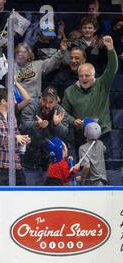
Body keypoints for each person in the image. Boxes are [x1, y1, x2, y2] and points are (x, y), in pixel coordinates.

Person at [62, 36, 117, 167]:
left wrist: (110, 49)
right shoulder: (69, 91)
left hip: (103, 134)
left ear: (94, 76)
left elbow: (112, 68)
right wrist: (72, 121)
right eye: (81, 76)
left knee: (108, 169)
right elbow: (63, 112)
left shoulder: (102, 84)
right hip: (82, 136)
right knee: (84, 170)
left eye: (87, 75)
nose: (84, 78)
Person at [0, 88, 31, 185]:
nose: (15, 101)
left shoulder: (12, 116)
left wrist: (22, 139)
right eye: (12, 99)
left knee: (23, 196)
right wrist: (15, 138)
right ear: (3, 101)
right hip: (0, 165)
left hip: (16, 164)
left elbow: (16, 135)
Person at [0, 40, 68, 101]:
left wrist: (61, 51)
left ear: (29, 54)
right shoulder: (9, 65)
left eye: (24, 52)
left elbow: (53, 62)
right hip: (15, 105)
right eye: (18, 52)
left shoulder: (38, 65)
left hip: (34, 103)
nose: (21, 54)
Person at [19, 86, 71, 171]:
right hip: (30, 149)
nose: (47, 105)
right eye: (44, 100)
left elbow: (65, 133)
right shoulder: (32, 106)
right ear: (40, 98)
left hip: (50, 152)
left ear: (56, 101)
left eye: (50, 102)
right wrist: (38, 124)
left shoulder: (61, 111)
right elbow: (24, 124)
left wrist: (57, 124)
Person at [76, 119, 108, 186]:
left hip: (92, 183)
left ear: (85, 132)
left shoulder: (82, 148)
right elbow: (104, 150)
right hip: (103, 182)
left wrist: (81, 177)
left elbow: (87, 166)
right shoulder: (101, 144)